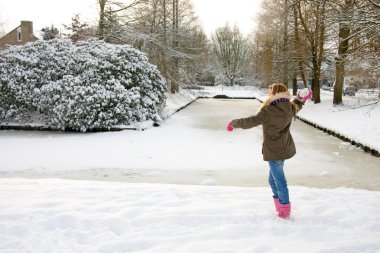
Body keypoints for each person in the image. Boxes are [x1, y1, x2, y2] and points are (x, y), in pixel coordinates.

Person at [226, 83, 312, 219]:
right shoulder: (290, 107)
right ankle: (281, 207)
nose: (269, 93)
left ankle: (284, 211)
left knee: (279, 181)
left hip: (274, 151)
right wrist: (302, 98)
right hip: (284, 148)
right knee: (273, 181)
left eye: (270, 91)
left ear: (274, 93)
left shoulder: (268, 111)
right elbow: (298, 104)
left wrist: (233, 123)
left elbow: (250, 121)